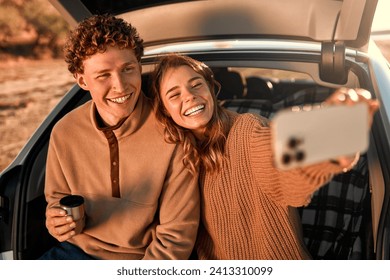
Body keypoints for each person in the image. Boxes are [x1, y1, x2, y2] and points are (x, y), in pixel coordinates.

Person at [150, 53, 380, 260]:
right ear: (164, 111)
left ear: (211, 89)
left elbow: (279, 160)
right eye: (174, 94)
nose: (189, 97)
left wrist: (327, 139)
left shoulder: (246, 131)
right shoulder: (176, 156)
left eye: (196, 85)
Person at [39, 16, 199, 260]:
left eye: (128, 69)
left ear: (139, 65)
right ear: (82, 80)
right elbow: (57, 200)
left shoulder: (172, 132)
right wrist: (57, 221)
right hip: (75, 252)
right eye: (103, 75)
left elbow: (175, 238)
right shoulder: (64, 131)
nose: (121, 86)